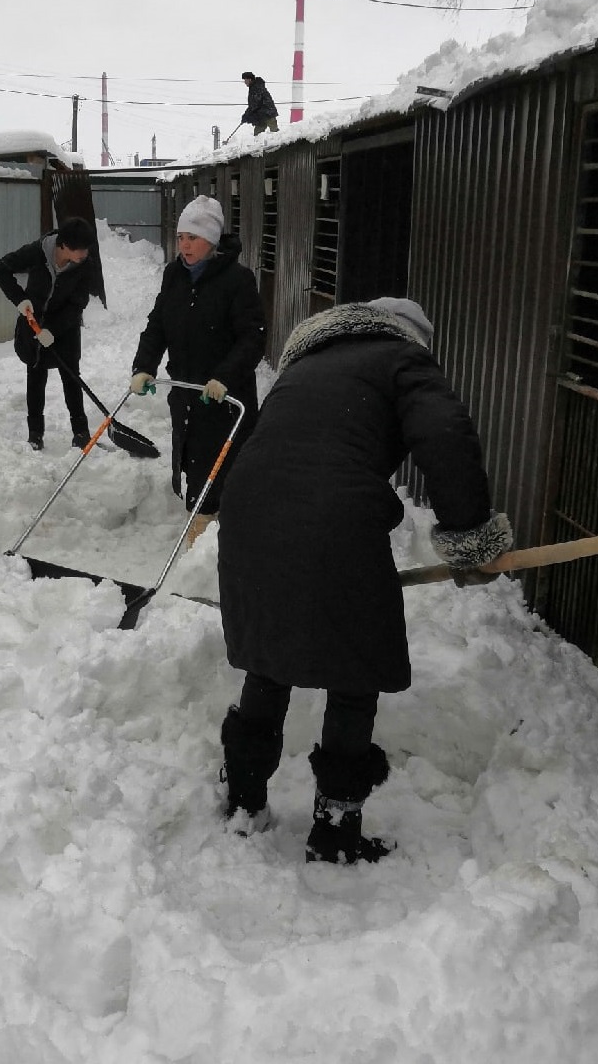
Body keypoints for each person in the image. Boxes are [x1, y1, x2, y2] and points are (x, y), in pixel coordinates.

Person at [215, 297, 513, 864]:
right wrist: (469, 533)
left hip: (250, 510)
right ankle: (334, 830)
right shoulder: (403, 360)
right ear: (412, 336)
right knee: (354, 672)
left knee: (270, 660)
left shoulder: (305, 365)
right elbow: (445, 433)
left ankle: (244, 800)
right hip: (333, 520)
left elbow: (286, 445)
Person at [130, 195, 266, 546]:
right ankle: (202, 520)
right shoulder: (174, 275)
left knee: (222, 467)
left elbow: (252, 338)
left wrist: (224, 376)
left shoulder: (238, 281)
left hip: (224, 396)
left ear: (212, 241)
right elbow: (158, 324)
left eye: (193, 237)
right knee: (192, 458)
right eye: (181, 237)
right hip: (187, 392)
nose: (185, 245)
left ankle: (213, 535)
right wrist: (144, 366)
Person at [0, 216, 97, 451]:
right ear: (63, 245)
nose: (84, 253)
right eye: (78, 249)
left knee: (71, 376)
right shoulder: (38, 252)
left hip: (65, 327)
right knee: (36, 375)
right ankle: (35, 435)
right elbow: (1, 269)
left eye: (86, 248)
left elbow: (77, 304)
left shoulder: (84, 265)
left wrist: (54, 330)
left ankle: (81, 433)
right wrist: (20, 300)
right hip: (33, 323)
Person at [240, 71, 279, 137]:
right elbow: (253, 105)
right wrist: (246, 115)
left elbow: (255, 104)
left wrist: (247, 115)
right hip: (261, 115)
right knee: (258, 134)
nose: (245, 82)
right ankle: (259, 146)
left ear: (250, 79)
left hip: (268, 113)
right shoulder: (253, 87)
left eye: (245, 80)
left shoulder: (256, 88)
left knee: (275, 133)